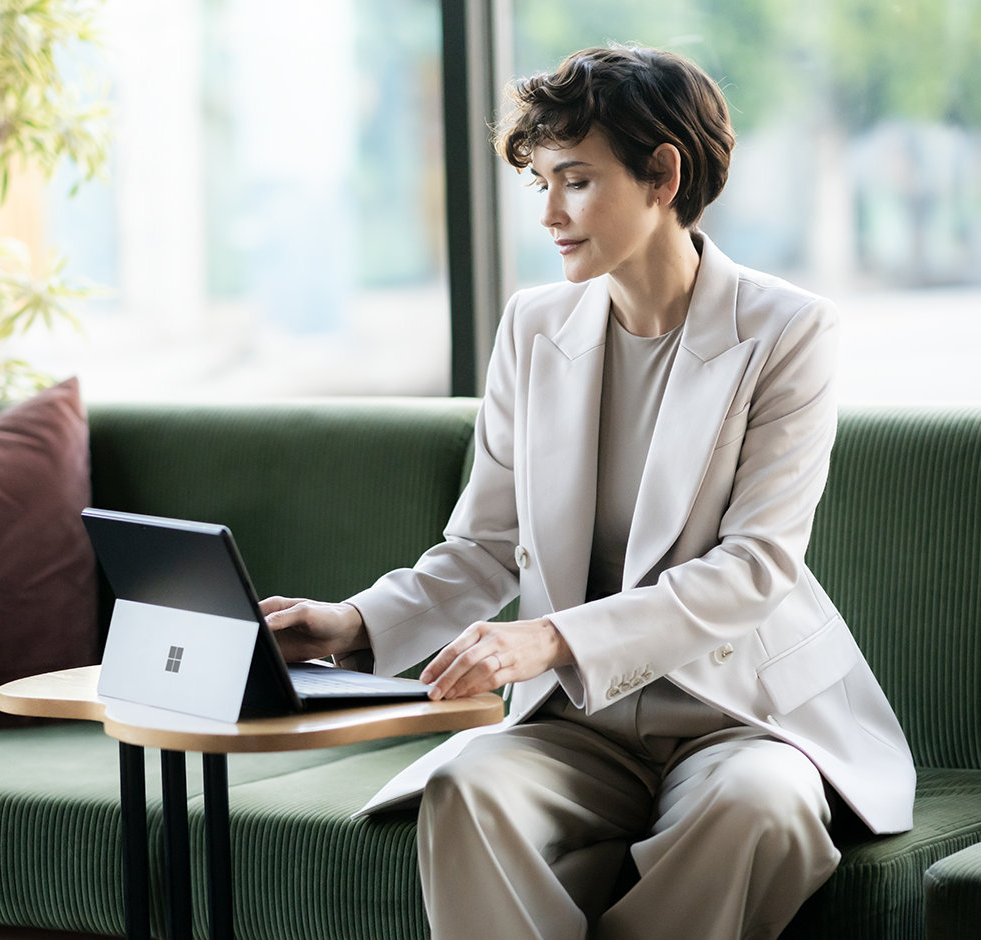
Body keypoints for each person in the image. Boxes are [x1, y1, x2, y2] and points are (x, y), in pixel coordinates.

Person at [260, 44, 915, 940]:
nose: (551, 214)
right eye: (540, 184)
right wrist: (355, 625)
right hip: (579, 725)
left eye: (575, 179)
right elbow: (486, 545)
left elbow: (755, 568)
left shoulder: (786, 330)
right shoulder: (535, 327)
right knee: (465, 788)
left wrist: (549, 637)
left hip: (742, 718)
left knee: (762, 812)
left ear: (662, 175)